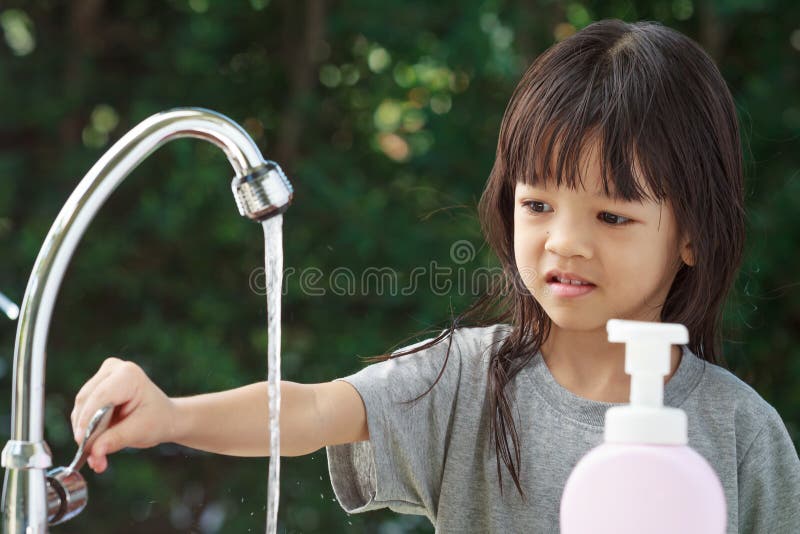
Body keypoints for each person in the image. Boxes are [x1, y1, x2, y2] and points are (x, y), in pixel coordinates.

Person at [70, 19, 800, 533]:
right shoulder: (466, 381)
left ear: (695, 235)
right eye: (538, 204)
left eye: (612, 217)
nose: (564, 243)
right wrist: (168, 416)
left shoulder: (740, 434)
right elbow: (311, 411)